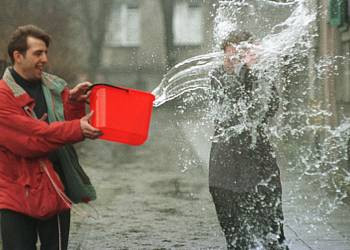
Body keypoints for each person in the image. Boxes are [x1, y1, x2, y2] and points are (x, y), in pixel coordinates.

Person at [0, 24, 102, 250]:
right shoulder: (2, 96)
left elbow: (67, 133)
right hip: (15, 197)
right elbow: (33, 140)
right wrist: (77, 127)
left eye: (46, 52)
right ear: (18, 56)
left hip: (55, 191)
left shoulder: (54, 86)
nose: (45, 59)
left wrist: (73, 104)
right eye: (38, 53)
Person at [208, 31, 288, 250]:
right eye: (230, 54)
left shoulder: (261, 75)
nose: (235, 59)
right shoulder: (217, 76)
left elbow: (266, 109)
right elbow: (234, 110)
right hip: (225, 167)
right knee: (236, 238)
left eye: (241, 54)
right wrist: (246, 72)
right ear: (224, 53)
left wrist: (254, 72)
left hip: (259, 162)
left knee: (273, 234)